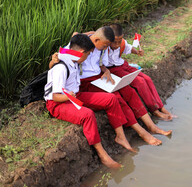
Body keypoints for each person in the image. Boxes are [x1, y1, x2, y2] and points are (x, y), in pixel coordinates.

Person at [50, 27, 171, 146]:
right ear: (96, 40)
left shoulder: (102, 47)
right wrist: (54, 60)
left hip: (99, 78)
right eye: (105, 46)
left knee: (129, 91)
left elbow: (101, 64)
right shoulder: (77, 46)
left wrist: (106, 70)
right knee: (116, 97)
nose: (107, 48)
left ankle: (151, 125)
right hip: (85, 83)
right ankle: (141, 131)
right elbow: (56, 63)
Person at [44, 33, 133, 169]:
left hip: (75, 96)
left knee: (111, 99)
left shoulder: (72, 59)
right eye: (88, 55)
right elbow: (55, 96)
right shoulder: (61, 67)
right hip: (58, 103)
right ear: (81, 53)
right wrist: (69, 96)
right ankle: (102, 154)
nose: (87, 59)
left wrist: (73, 95)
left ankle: (120, 136)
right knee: (88, 115)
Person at [107, 23, 176, 121]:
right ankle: (154, 110)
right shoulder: (105, 48)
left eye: (119, 41)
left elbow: (129, 48)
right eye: (115, 42)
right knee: (140, 82)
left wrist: (137, 52)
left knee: (147, 79)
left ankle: (161, 107)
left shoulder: (121, 43)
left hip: (123, 65)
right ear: (108, 39)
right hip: (113, 69)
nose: (117, 45)